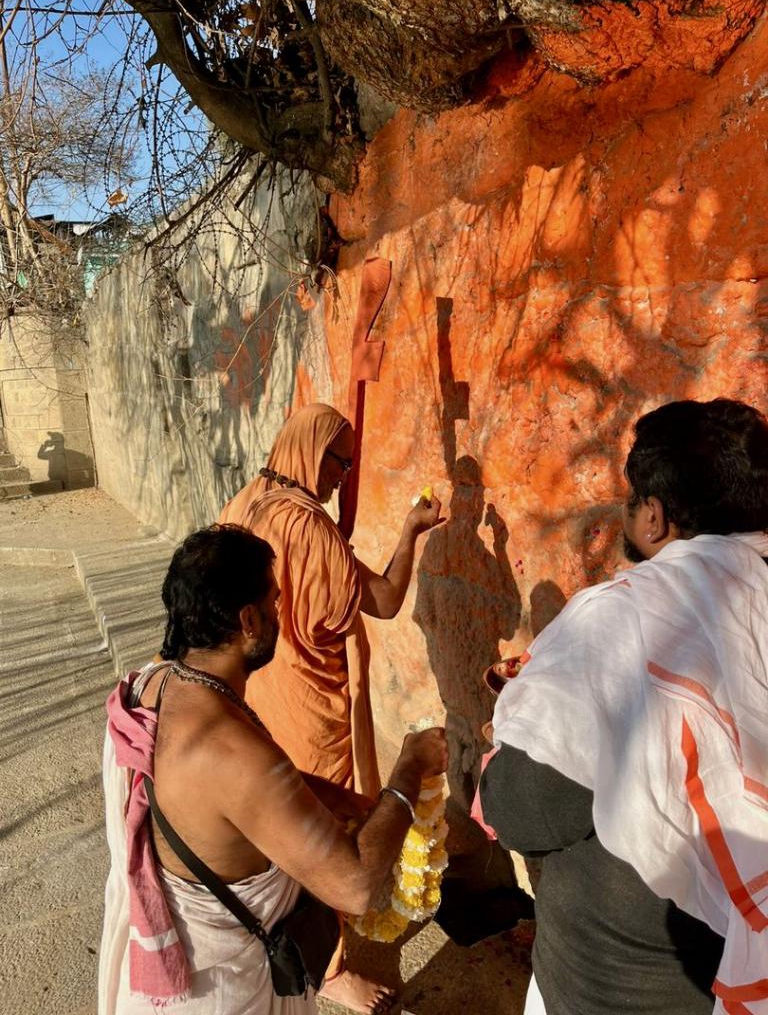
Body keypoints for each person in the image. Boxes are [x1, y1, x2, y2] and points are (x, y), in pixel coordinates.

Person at [479, 398, 768, 1015]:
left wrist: (513, 747)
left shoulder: (618, 623)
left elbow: (524, 808)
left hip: (611, 989)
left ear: (654, 518)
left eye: (632, 499)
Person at [98, 524, 448, 1015]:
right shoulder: (230, 751)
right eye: (274, 603)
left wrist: (336, 798)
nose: (279, 616)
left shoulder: (153, 685)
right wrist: (409, 769)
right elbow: (354, 886)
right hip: (220, 994)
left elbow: (227, 795)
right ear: (249, 620)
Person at [219, 403, 442, 1013]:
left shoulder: (246, 503)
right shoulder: (309, 528)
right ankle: (329, 966)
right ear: (312, 453)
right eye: (339, 462)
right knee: (324, 833)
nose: (344, 476)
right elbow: (386, 600)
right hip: (312, 707)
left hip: (257, 693)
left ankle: (281, 937)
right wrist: (411, 530)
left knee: (273, 820)